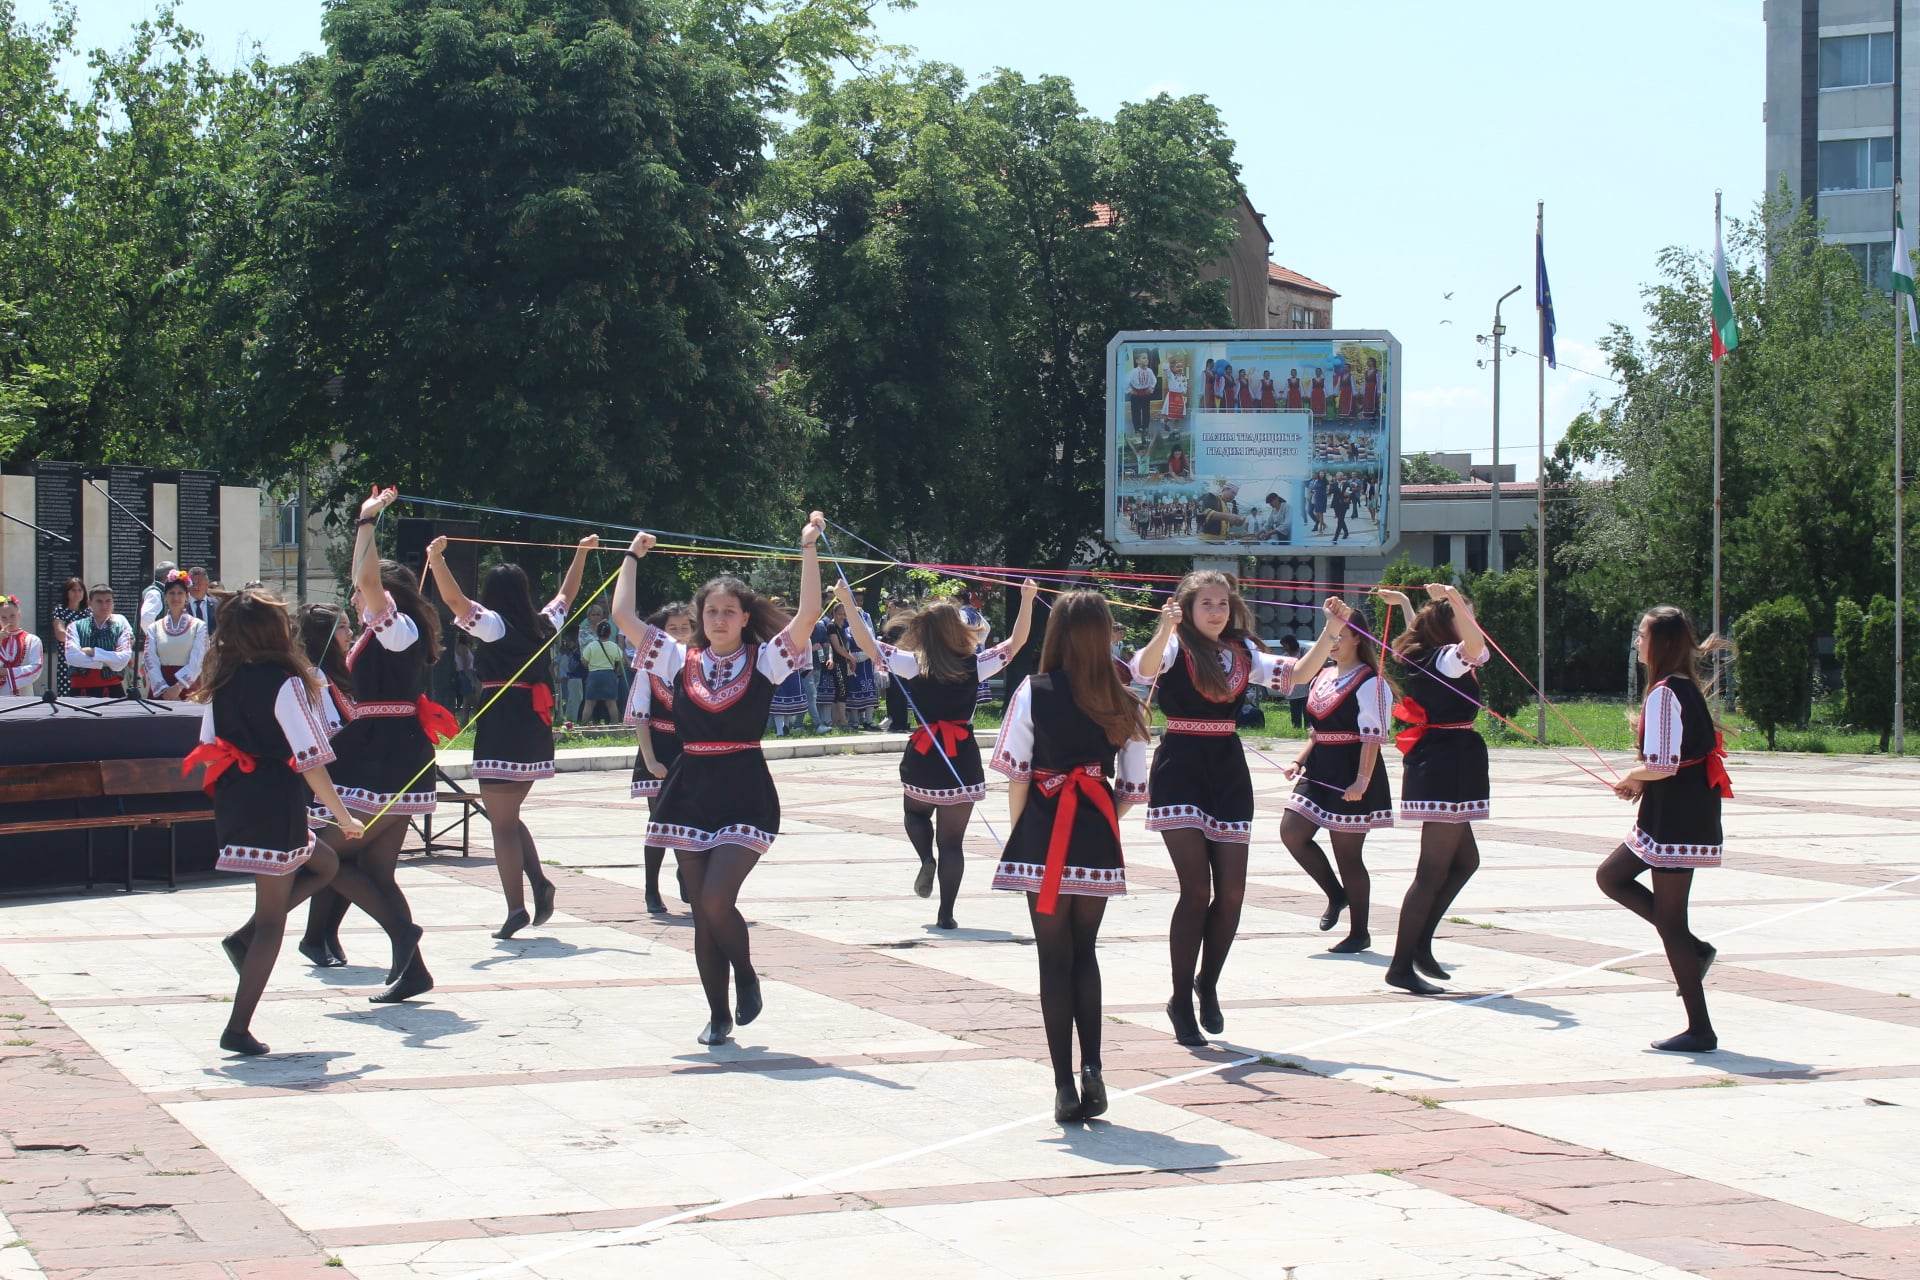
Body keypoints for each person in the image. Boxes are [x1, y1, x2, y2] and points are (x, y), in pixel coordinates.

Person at [612, 514, 824, 1045]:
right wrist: (632, 557)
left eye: (730, 611)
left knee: (713, 899)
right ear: (699, 617)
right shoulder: (677, 658)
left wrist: (808, 549)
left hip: (745, 791)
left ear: (745, 616)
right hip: (689, 791)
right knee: (702, 912)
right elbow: (622, 615)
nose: (720, 619)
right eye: (711, 611)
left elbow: (808, 614)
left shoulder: (766, 659)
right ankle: (717, 1013)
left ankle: (747, 974)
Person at [1132, 578, 1347, 1046]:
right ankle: (1179, 999)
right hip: (1180, 767)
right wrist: (1164, 629)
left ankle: (1207, 983)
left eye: (1222, 604)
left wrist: (1331, 630)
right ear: (1186, 608)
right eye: (1206, 603)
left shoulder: (1242, 652)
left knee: (1231, 892)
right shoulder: (1175, 646)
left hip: (1227, 771)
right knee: (1195, 890)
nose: (1216, 611)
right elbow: (1144, 670)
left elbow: (1297, 675)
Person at [989, 590, 1149, 1123]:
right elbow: (1133, 786)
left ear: (1056, 633)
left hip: (1043, 828)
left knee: (1052, 957)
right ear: (1105, 635)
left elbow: (1017, 772)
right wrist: (1102, 817)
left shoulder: (1033, 691)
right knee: (1086, 952)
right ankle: (1094, 1068)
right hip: (1095, 832)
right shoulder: (1125, 699)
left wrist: (1020, 832)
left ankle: (1062, 1083)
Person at [187, 587, 364, 1056]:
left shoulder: (223, 679)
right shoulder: (285, 682)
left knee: (324, 865)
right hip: (272, 800)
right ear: (271, 629)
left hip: (238, 798)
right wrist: (343, 816)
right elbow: (311, 759)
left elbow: (208, 743)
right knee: (272, 922)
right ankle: (238, 1026)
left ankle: (244, 938)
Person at [425, 533, 597, 938]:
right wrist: (581, 553)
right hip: (534, 726)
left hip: (502, 724)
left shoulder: (495, 625)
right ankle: (539, 883)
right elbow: (566, 596)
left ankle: (516, 908)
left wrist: (436, 560)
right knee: (508, 816)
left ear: (492, 594)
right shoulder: (543, 624)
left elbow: (454, 601)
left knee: (501, 825)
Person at [316, 486, 451, 1001]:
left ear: (385, 597)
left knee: (321, 853)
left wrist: (366, 521)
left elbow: (366, 580)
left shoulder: (396, 628)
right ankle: (409, 964)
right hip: (384, 748)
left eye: (363, 595)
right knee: (372, 868)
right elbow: (365, 579)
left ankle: (402, 937)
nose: (355, 598)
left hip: (383, 754)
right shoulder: (389, 631)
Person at [840, 577, 1037, 930]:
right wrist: (1027, 599)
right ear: (958, 630)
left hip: (924, 754)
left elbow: (866, 642)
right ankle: (946, 913)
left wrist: (846, 601)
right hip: (962, 757)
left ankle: (924, 859)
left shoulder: (912, 663)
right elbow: (1016, 642)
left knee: (914, 814)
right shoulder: (977, 663)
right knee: (953, 844)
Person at [1597, 606, 1729, 1053]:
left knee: (1667, 922)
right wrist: (1641, 780)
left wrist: (1634, 776)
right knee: (1612, 877)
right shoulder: (1681, 686)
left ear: (1662, 643)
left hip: (1677, 815)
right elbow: (1674, 760)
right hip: (1679, 809)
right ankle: (1695, 951)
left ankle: (1700, 1028)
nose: (1638, 640)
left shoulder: (1666, 692)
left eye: (1642, 634)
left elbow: (1664, 764)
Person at [1374, 584, 1490, 996]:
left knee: (1466, 861)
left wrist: (1407, 604)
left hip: (1450, 760)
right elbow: (1474, 647)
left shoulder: (1429, 654)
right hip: (1445, 764)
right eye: (1465, 615)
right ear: (1448, 623)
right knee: (1431, 871)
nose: (1473, 622)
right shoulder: (1445, 658)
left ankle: (1420, 944)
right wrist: (1455, 599)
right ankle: (1401, 964)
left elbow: (1460, 642)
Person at [1280, 598, 1392, 954]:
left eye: (1340, 635)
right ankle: (1335, 893)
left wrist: (1362, 780)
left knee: (1348, 855)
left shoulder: (1371, 681)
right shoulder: (1323, 675)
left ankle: (1360, 932)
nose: (1333, 642)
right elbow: (1317, 731)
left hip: (1351, 770)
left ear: (1358, 638)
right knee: (1292, 832)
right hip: (1319, 767)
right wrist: (1298, 760)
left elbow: (1372, 737)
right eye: (1330, 635)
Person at [627, 601, 695, 914]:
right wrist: (651, 760)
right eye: (672, 629)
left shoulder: (701, 663)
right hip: (657, 747)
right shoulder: (649, 666)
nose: (680, 634)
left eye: (685, 628)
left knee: (690, 818)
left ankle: (687, 873)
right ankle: (651, 889)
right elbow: (641, 717)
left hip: (690, 749)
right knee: (660, 821)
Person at [140, 569, 209, 700]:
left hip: (188, 687)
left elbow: (198, 659)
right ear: (165, 596)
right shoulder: (154, 627)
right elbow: (150, 659)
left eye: (180, 593)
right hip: (161, 687)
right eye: (171, 593)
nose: (176, 598)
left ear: (187, 596)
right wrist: (163, 689)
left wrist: (178, 687)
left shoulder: (199, 626)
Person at [64, 585, 134, 698]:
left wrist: (93, 652)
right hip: (81, 690)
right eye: (99, 601)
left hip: (113, 690)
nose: (104, 606)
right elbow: (72, 657)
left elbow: (123, 659)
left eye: (108, 601)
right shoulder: (75, 626)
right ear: (90, 603)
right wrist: (109, 662)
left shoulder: (121, 626)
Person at [580, 617, 627, 725]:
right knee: (611, 703)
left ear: (597, 633)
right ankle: (614, 724)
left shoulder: (591, 646)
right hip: (609, 675)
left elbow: (584, 661)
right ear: (609, 633)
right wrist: (617, 671)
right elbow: (622, 662)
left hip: (593, 675)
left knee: (589, 703)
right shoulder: (614, 646)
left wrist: (590, 666)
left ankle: (583, 724)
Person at [48, 577, 87, 697]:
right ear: (67, 592)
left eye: (80, 590)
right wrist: (82, 639)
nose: (77, 593)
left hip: (86, 660)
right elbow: (60, 634)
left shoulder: (88, 612)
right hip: (67, 661)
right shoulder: (60, 611)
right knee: (67, 696)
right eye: (73, 590)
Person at [0, 594, 45, 696]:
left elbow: (36, 668)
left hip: (23, 697)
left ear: (19, 615)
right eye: (3, 617)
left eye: (12, 616)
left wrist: (6, 672)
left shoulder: (32, 640)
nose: (9, 621)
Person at [1278, 635, 1311, 728]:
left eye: (1284, 645)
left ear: (1290, 644)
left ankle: (1308, 731)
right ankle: (1297, 733)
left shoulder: (1304, 652)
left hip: (1306, 691)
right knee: (1295, 717)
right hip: (1292, 692)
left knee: (1308, 716)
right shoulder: (1284, 657)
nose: (1283, 648)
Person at [1125, 351, 1156, 438]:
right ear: (1137, 361)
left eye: (1147, 358)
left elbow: (1154, 380)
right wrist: (1130, 390)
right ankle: (1137, 428)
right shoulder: (1133, 371)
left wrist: (1151, 388)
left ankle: (1145, 427)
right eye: (1144, 358)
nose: (1146, 359)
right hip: (1136, 394)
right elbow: (1125, 381)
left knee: (1146, 411)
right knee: (1136, 412)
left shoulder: (1149, 371)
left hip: (1145, 394)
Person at [186, 566, 218, 631]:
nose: (196, 587)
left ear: (207, 584)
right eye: (193, 583)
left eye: (199, 583)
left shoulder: (216, 605)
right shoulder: (181, 605)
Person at [1161, 356, 1188, 422]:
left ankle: (1176, 426)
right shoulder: (1170, 375)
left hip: (1179, 396)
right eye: (1177, 367)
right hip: (1171, 396)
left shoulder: (1183, 377)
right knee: (1168, 412)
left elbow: (1185, 386)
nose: (1180, 368)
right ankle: (1165, 422)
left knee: (1178, 413)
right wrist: (1169, 361)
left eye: (1181, 367)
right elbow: (1165, 368)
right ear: (1173, 368)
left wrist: (1184, 393)